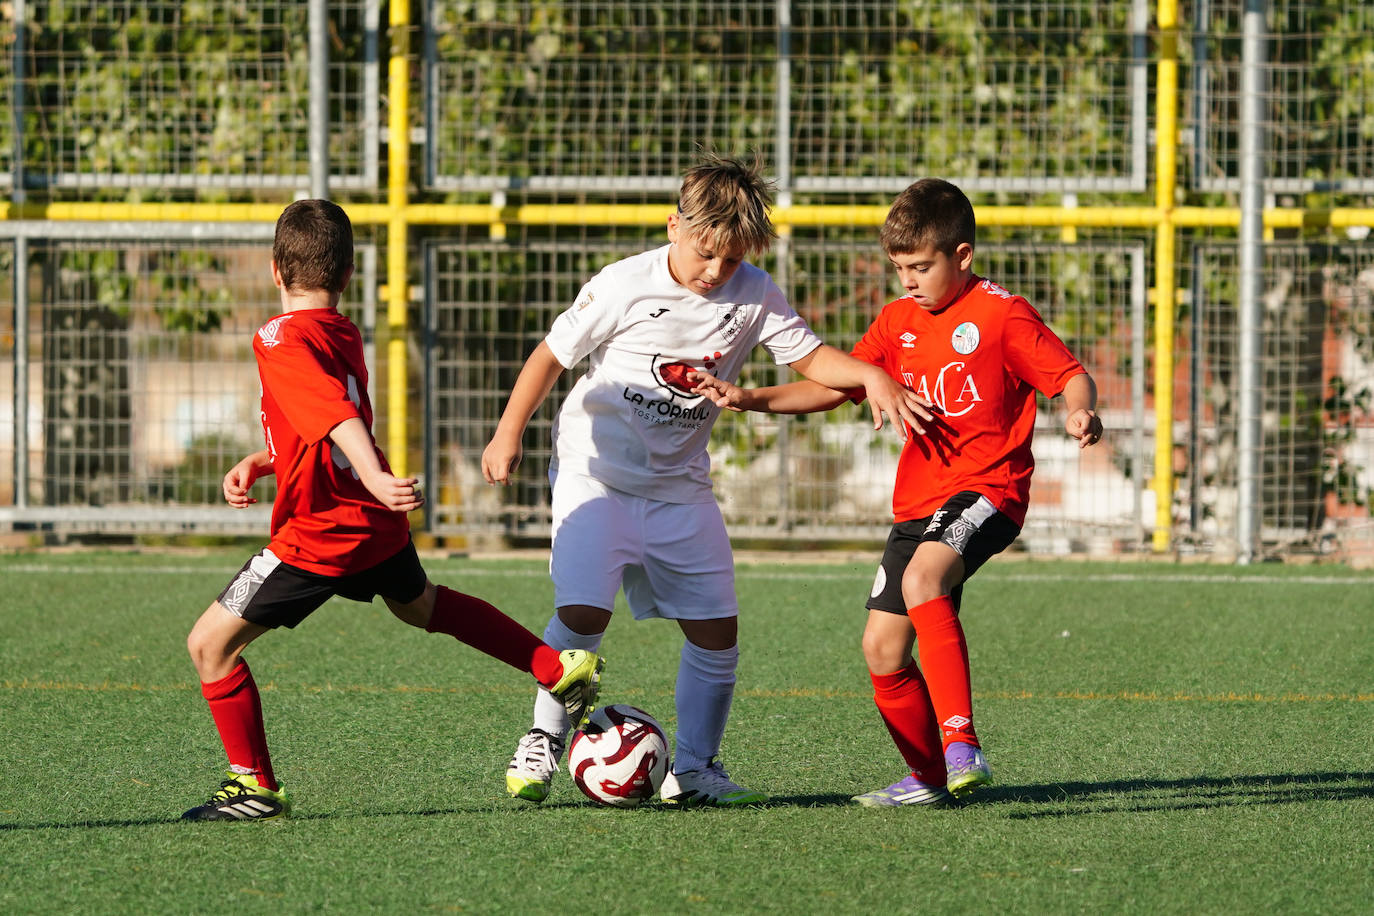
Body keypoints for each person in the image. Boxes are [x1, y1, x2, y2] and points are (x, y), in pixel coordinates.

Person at [481, 154, 925, 807]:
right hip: (595, 475)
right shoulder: (624, 283)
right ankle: (544, 738)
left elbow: (811, 359)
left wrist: (869, 374)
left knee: (717, 631)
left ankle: (695, 769)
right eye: (705, 252)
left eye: (731, 258)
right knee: (583, 612)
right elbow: (551, 356)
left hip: (680, 487)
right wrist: (507, 432)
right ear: (674, 228)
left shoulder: (754, 292)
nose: (716, 270)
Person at [181, 199, 603, 822]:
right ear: (349, 275)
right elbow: (319, 425)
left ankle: (253, 787)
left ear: (275, 270)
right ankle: (555, 666)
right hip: (373, 522)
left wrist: (377, 476)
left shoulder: (276, 336)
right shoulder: (343, 330)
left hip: (322, 531)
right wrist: (265, 461)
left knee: (209, 646)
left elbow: (334, 415)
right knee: (421, 606)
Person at [691, 178, 1104, 806]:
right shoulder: (897, 321)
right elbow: (838, 386)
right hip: (919, 501)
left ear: (962, 256)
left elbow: (1070, 374)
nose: (907, 280)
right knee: (882, 649)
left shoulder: (1002, 314)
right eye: (899, 268)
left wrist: (1080, 410)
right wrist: (750, 398)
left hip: (988, 488)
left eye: (920, 267)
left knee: (922, 580)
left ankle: (962, 743)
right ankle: (929, 776)